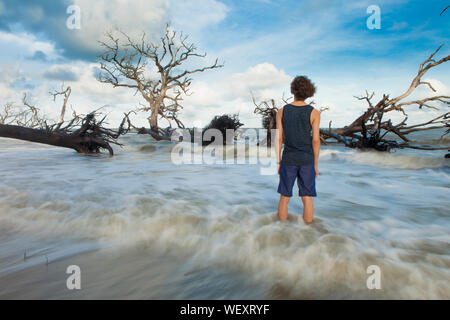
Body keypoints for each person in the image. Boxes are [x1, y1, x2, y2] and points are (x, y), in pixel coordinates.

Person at [275, 76, 320, 223]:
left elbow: (279, 139)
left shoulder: (282, 111)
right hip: (307, 160)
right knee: (307, 198)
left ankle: (280, 231)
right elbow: (315, 140)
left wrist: (278, 161)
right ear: (309, 92)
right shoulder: (314, 112)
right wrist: (315, 164)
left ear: (293, 90)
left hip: (288, 159)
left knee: (284, 197)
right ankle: (308, 232)